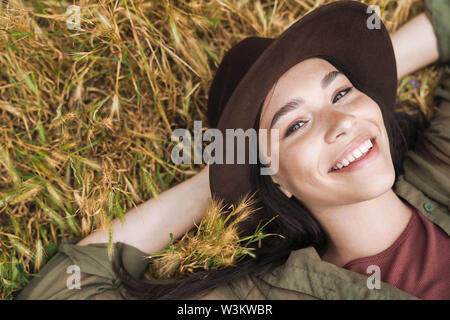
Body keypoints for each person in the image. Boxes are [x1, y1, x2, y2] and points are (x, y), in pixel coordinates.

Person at [16, 0, 449, 300]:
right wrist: (226, 166)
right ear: (273, 173)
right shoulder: (268, 296)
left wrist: (378, 70)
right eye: (296, 125)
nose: (342, 123)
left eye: (341, 93)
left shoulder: (441, 169)